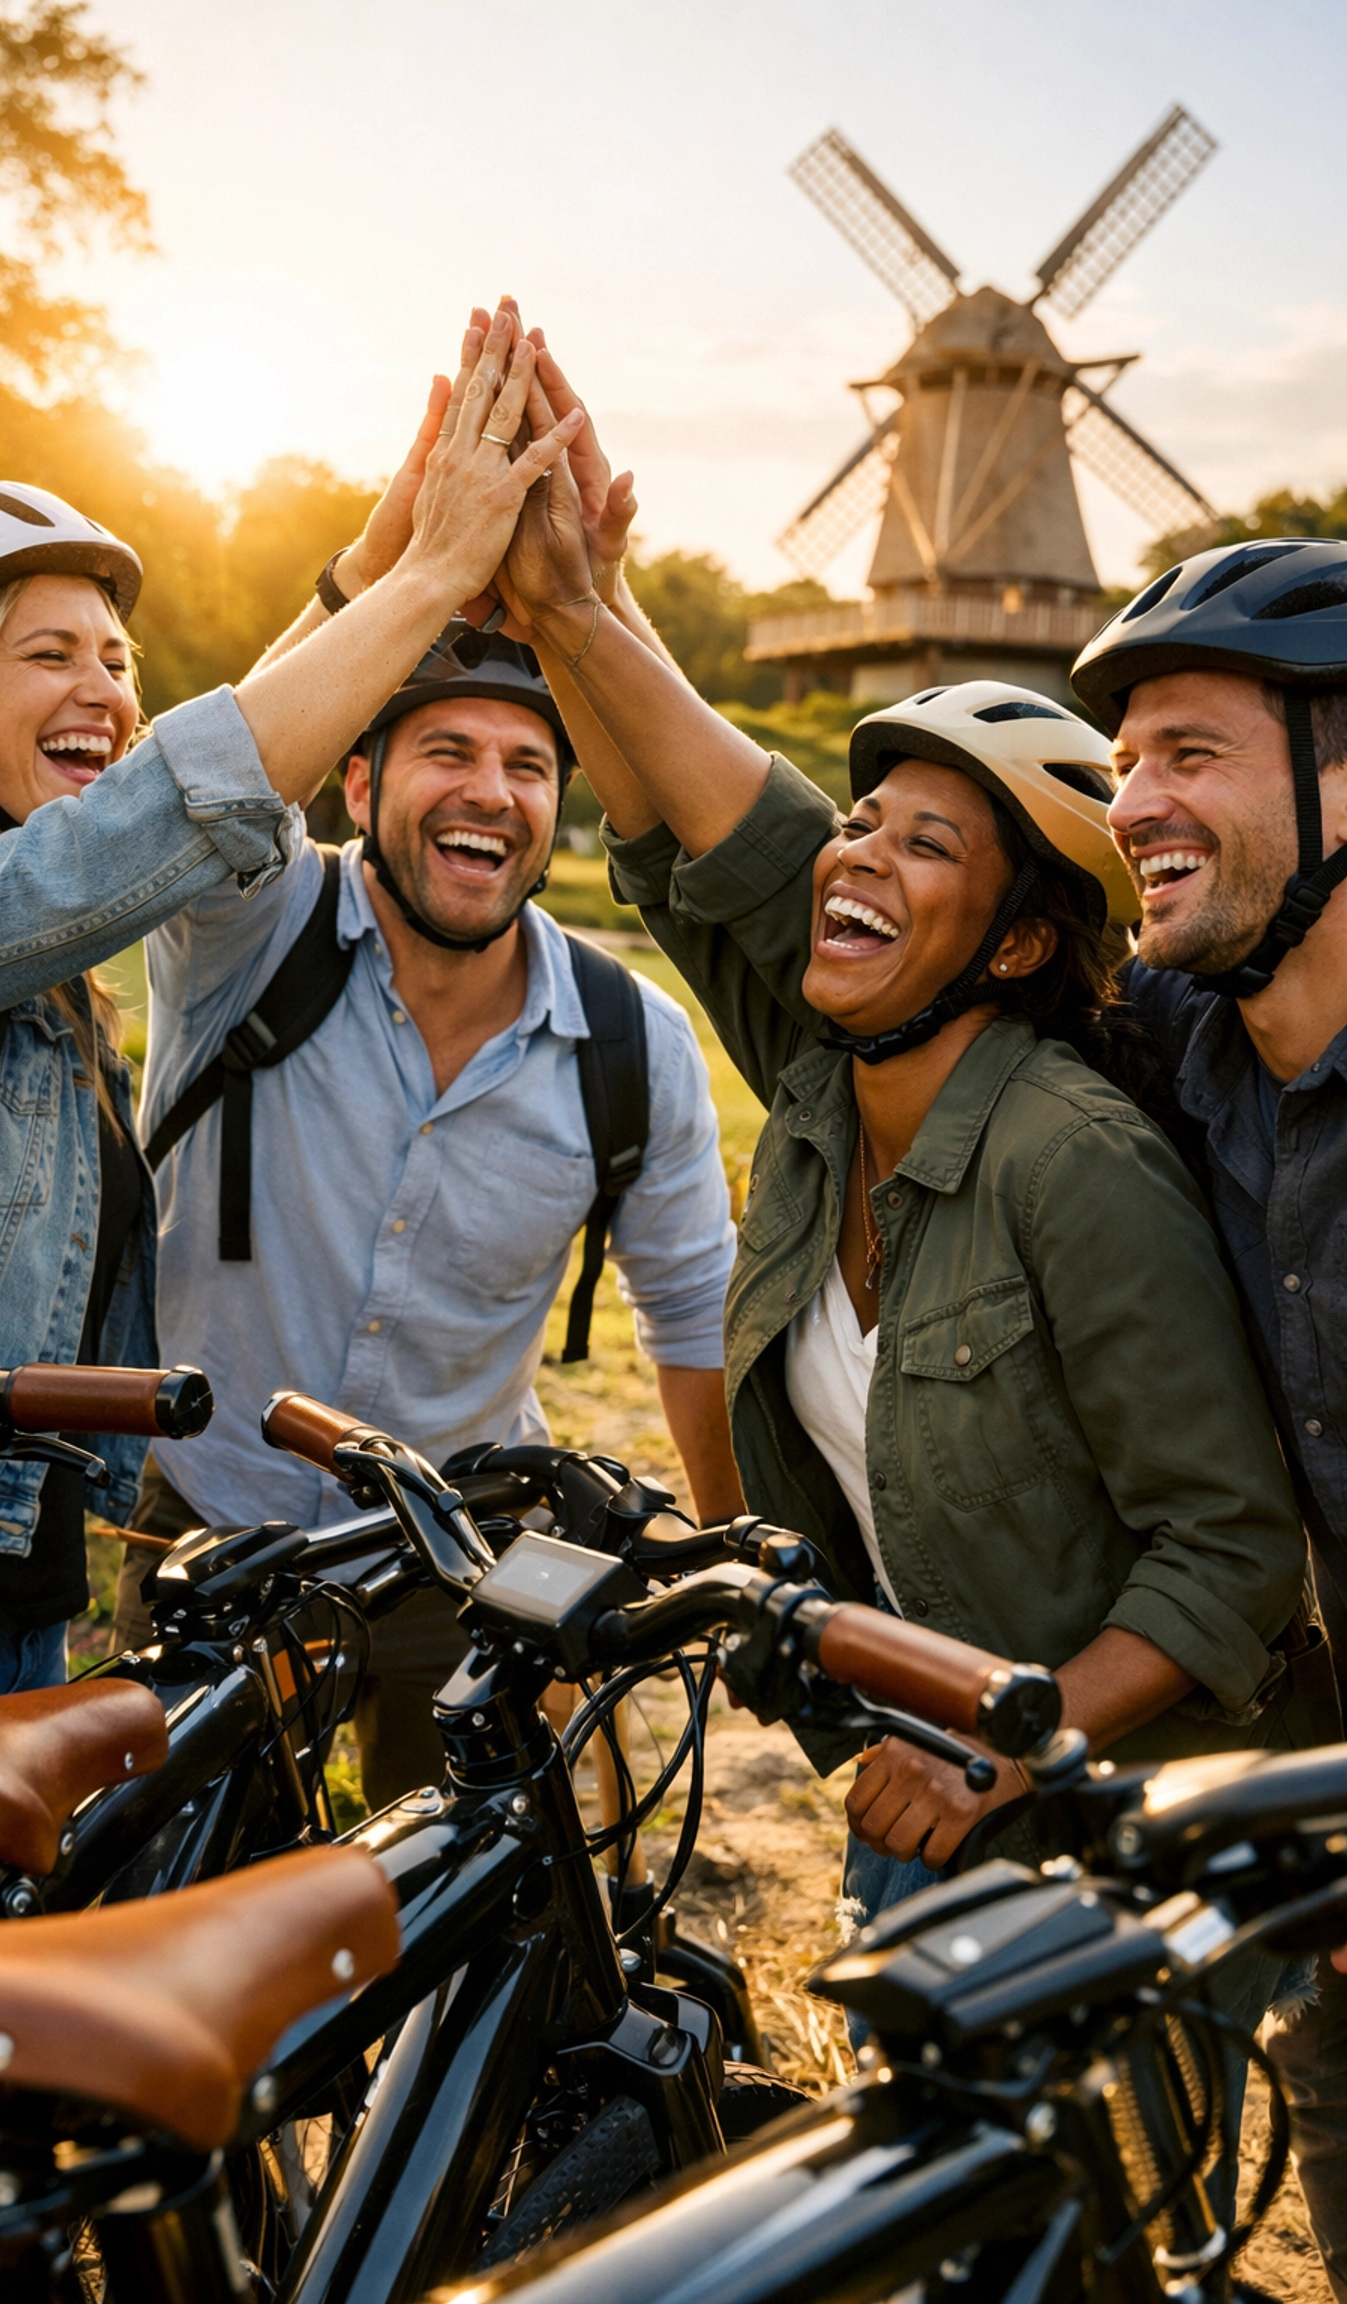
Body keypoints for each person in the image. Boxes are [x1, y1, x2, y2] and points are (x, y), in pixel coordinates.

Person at [485, 351, 1325, 2211]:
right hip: (910, 1774)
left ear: (1025, 936)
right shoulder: (828, 1070)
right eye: (861, 822)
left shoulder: (1072, 1160)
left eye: (923, 841)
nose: (855, 855)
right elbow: (721, 842)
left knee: (1106, 2224)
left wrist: (989, 1755)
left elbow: (1225, 1553)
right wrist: (573, 609)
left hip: (1097, 1810)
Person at [0, 305, 581, 1710]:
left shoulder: (23, 937)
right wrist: (433, 582)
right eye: (53, 655)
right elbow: (154, 824)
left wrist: (368, 567)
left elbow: (159, 793)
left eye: (118, 659)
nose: (106, 689)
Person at [116, 486, 743, 1812]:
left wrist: (732, 1557)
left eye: (527, 765)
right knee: (177, 1935)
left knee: (485, 1931)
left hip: (458, 1554)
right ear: (356, 783)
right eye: (445, 749)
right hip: (210, 1530)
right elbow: (204, 787)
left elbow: (692, 1315)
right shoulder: (246, 928)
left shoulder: (636, 1044)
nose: (490, 791)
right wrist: (401, 542)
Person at [1073, 543, 1347, 2298]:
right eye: (1122, 767)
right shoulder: (1194, 1037)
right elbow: (841, 900)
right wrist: (590, 618)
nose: (1135, 803)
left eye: (1189, 750)